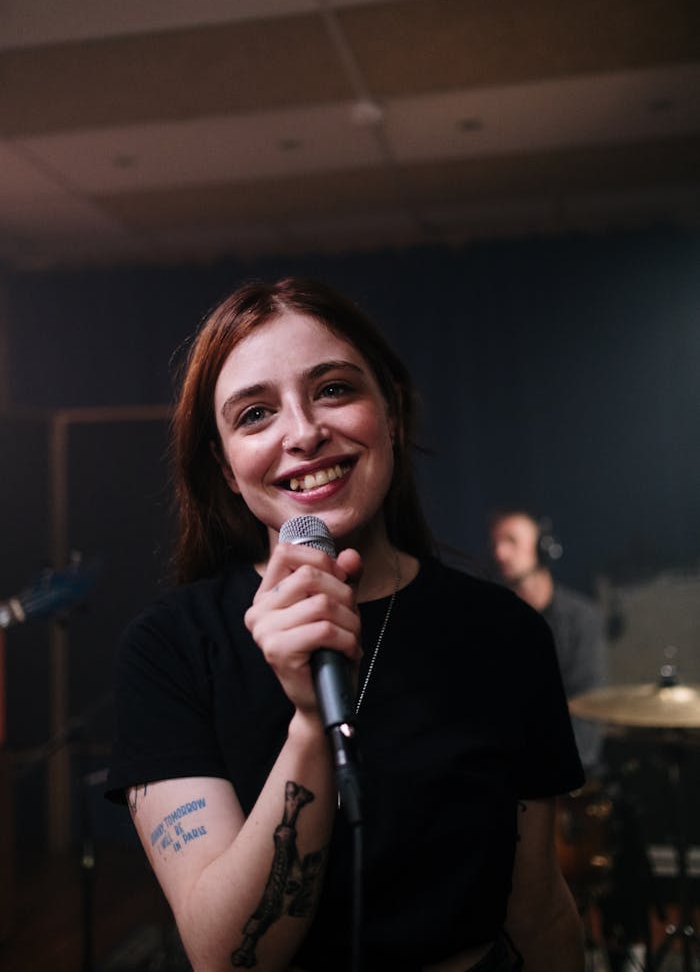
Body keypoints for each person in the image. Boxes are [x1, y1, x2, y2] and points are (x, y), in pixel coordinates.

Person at [105, 277, 586, 972]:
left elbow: (537, 903)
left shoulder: (505, 634)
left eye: (333, 389)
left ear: (390, 410)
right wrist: (308, 720)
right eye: (254, 414)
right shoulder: (169, 648)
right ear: (227, 468)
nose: (302, 433)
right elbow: (226, 957)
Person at [487, 509, 608, 777]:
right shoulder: (490, 618)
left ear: (544, 548)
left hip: (565, 770)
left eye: (511, 541)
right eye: (495, 544)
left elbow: (589, 707)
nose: (500, 553)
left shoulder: (582, 618)